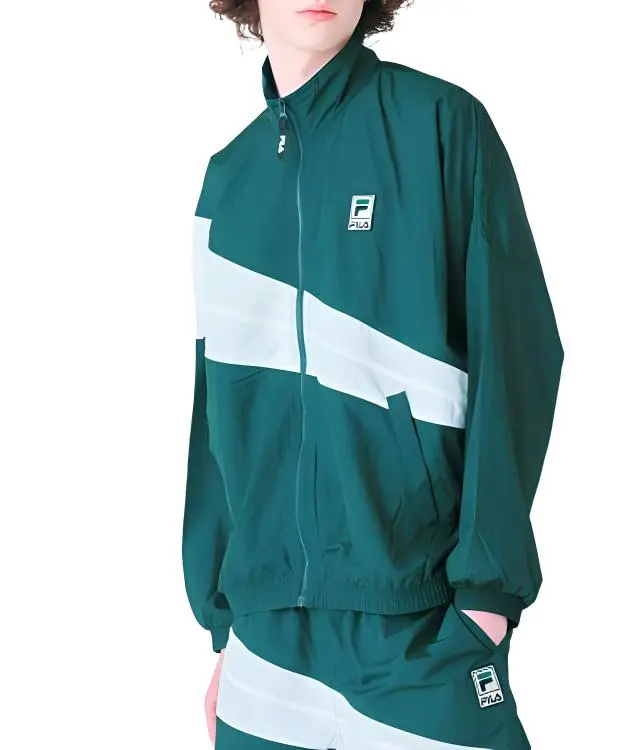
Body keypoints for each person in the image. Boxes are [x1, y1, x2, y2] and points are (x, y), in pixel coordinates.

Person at [182, 1, 564, 747]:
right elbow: (217, 411)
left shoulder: (441, 127)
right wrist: (228, 624)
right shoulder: (228, 181)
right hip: (265, 648)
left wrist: (486, 597)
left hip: (421, 628)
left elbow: (517, 355)